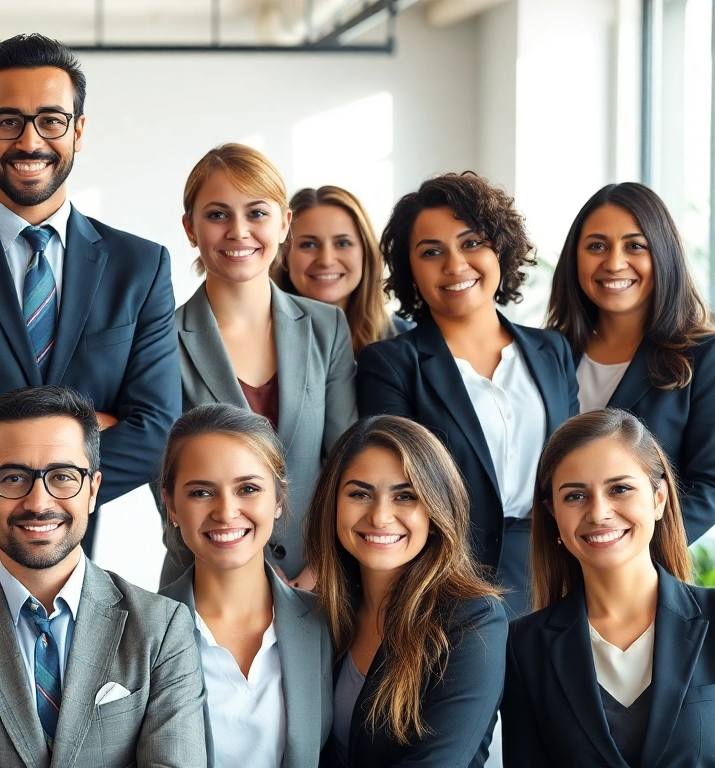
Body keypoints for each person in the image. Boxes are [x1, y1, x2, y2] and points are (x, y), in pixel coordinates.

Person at [0, 34, 180, 561]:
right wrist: (80, 447)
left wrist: (13, 471)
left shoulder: (142, 266)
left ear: (78, 130)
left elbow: (156, 433)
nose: (30, 141)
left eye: (50, 120)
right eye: (8, 121)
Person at [0, 386, 206, 768]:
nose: (39, 502)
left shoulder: (162, 628)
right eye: (12, 478)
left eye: (62, 477)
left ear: (92, 490)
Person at [357, 171, 577, 618]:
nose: (455, 265)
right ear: (410, 271)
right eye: (431, 252)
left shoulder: (551, 350)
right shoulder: (390, 364)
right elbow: (402, 487)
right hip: (449, 582)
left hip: (556, 576)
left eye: (471, 242)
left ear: (501, 248)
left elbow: (571, 462)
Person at [169, 144, 356, 589]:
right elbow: (169, 484)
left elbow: (347, 462)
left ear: (284, 222)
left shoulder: (326, 327)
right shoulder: (162, 339)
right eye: (217, 215)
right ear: (190, 228)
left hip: (318, 583)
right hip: (205, 583)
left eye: (256, 213)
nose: (238, 231)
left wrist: (320, 571)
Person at [504, 408, 715, 765]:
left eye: (620, 489)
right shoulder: (524, 647)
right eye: (574, 496)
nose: (599, 512)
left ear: (659, 499)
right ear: (553, 513)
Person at [304, 415, 506, 767]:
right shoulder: (321, 613)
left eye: (405, 496)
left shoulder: (474, 619)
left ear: (436, 510)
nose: (380, 516)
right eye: (360, 493)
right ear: (332, 503)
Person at [158, 404, 331, 767]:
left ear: (279, 500)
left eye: (248, 488)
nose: (226, 511)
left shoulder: (327, 624)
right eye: (201, 493)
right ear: (171, 507)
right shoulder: (138, 632)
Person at [545, 182, 715, 542]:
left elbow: (710, 486)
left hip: (643, 572)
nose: (614, 263)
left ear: (663, 255)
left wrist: (623, 548)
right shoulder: (547, 352)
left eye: (635, 246)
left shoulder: (703, 356)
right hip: (545, 568)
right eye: (596, 246)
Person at [272, 185, 413, 349]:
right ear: (284, 255)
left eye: (343, 243)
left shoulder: (407, 340)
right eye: (308, 244)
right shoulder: (260, 340)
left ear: (366, 253)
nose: (326, 260)